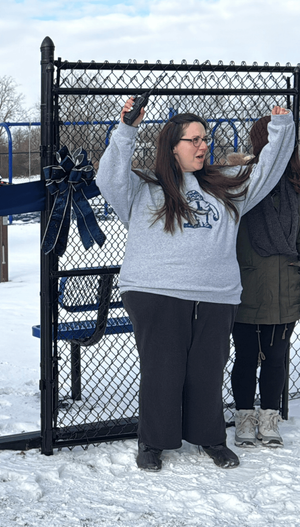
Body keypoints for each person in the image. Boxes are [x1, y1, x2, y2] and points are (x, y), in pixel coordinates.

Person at [96, 97, 295, 472]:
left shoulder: (226, 188)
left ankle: (210, 438)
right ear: (173, 148)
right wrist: (126, 128)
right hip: (156, 292)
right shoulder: (144, 188)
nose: (204, 145)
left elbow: (267, 171)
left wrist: (281, 129)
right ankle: (153, 442)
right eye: (195, 139)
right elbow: (108, 177)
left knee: (208, 370)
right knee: (162, 370)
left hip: (216, 296)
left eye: (205, 139)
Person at [230, 117, 300, 448]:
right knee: (245, 357)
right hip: (246, 284)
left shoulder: (297, 185)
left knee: (276, 358)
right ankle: (244, 415)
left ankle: (269, 415)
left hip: (286, 286)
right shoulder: (244, 184)